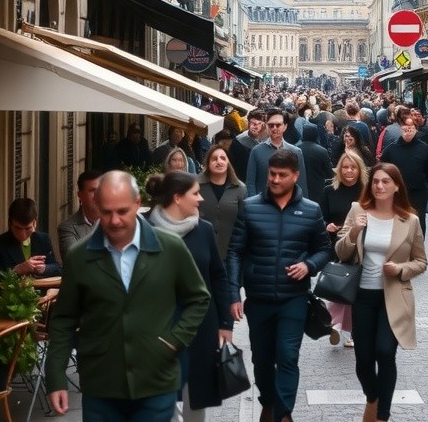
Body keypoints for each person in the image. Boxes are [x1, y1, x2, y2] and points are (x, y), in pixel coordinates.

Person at [45, 170, 210, 422]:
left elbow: (198, 298)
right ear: (96, 206)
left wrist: (176, 339)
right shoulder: (79, 257)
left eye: (122, 211)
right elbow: (63, 319)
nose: (115, 221)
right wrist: (56, 376)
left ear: (137, 204)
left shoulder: (170, 247)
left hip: (156, 384)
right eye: (106, 212)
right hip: (101, 386)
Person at [227, 150, 331, 422]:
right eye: (272, 174)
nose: (274, 179)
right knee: (261, 360)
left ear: (295, 176)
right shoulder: (250, 207)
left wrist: (309, 265)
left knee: (287, 356)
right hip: (258, 298)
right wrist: (233, 294)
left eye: (281, 175)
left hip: (294, 298)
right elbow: (235, 251)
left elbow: (324, 249)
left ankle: (283, 414)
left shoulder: (311, 210)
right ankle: (269, 402)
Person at [335, 162, 427, 422]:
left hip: (393, 298)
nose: (379, 186)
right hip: (362, 297)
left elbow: (421, 261)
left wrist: (400, 269)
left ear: (397, 186)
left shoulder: (410, 220)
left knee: (385, 352)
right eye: (375, 181)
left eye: (386, 181)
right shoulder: (358, 210)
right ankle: (373, 399)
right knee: (363, 361)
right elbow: (340, 251)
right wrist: (354, 231)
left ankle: (382, 416)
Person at [146, 171, 233, 422]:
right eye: (195, 193)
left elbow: (218, 276)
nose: (200, 198)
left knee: (197, 390)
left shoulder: (204, 230)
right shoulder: (144, 229)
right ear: (177, 197)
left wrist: (225, 322)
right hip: (158, 324)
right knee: (160, 391)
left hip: (201, 324)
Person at [321, 151, 368, 348]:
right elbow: (321, 217)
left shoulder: (367, 190)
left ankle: (345, 328)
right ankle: (336, 324)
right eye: (345, 167)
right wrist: (327, 226)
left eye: (353, 167)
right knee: (341, 287)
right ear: (339, 169)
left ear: (360, 169)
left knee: (357, 291)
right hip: (337, 246)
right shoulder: (329, 190)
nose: (349, 171)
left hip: (361, 245)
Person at [381, 114, 428, 236]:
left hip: (418, 195)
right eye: (405, 127)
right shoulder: (391, 149)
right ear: (401, 128)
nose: (408, 130)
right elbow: (382, 170)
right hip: (396, 195)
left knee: (418, 226)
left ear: (416, 129)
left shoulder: (425, 149)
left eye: (411, 127)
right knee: (397, 225)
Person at [0, 197, 62, 281]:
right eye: (18, 228)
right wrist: (17, 270)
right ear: (10, 223)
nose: (22, 234)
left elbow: (57, 268)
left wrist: (44, 268)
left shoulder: (43, 239)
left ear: (35, 223)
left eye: (27, 228)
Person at [197, 145, 247, 260]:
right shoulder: (195, 186)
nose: (219, 162)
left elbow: (243, 223)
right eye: (214, 159)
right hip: (201, 253)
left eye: (223, 158)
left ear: (228, 162)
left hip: (230, 254)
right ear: (208, 163)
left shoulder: (240, 189)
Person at [245, 108, 308, 197]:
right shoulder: (256, 151)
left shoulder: (296, 152)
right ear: (266, 127)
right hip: (262, 203)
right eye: (271, 125)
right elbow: (250, 183)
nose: (274, 128)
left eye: (278, 125)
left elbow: (301, 184)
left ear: (285, 126)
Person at [57, 170, 102, 261]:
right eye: (92, 191)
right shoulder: (68, 228)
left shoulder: (116, 221)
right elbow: (73, 260)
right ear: (80, 195)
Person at [297, 121, 334, 208]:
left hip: (300, 188)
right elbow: (329, 173)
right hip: (317, 189)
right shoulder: (322, 151)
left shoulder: (296, 149)